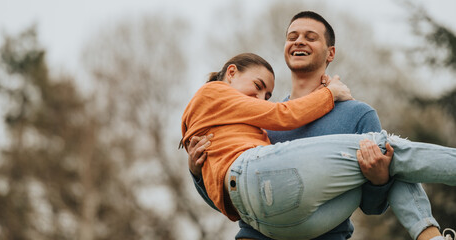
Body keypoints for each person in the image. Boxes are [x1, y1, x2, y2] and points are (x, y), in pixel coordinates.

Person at [186, 11, 444, 240]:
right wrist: (198, 175)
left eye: (310, 37)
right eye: (292, 36)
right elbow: (235, 196)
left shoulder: (357, 114)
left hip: (325, 234)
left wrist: (379, 182)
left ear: (330, 52)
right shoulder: (262, 118)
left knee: (393, 154)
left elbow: (372, 207)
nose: (299, 41)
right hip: (257, 234)